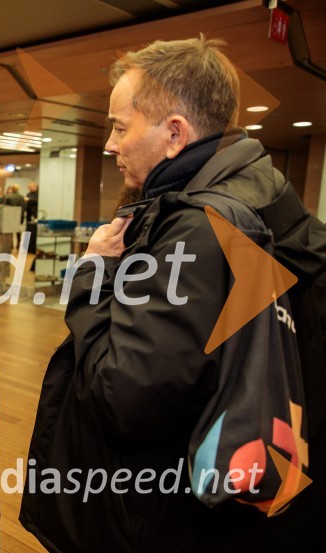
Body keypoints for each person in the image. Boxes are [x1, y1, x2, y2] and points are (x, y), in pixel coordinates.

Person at [20, 36, 326, 553]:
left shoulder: (201, 228)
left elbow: (124, 394)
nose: (111, 144)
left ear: (174, 134)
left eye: (120, 126)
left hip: (164, 515)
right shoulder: (273, 204)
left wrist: (92, 276)